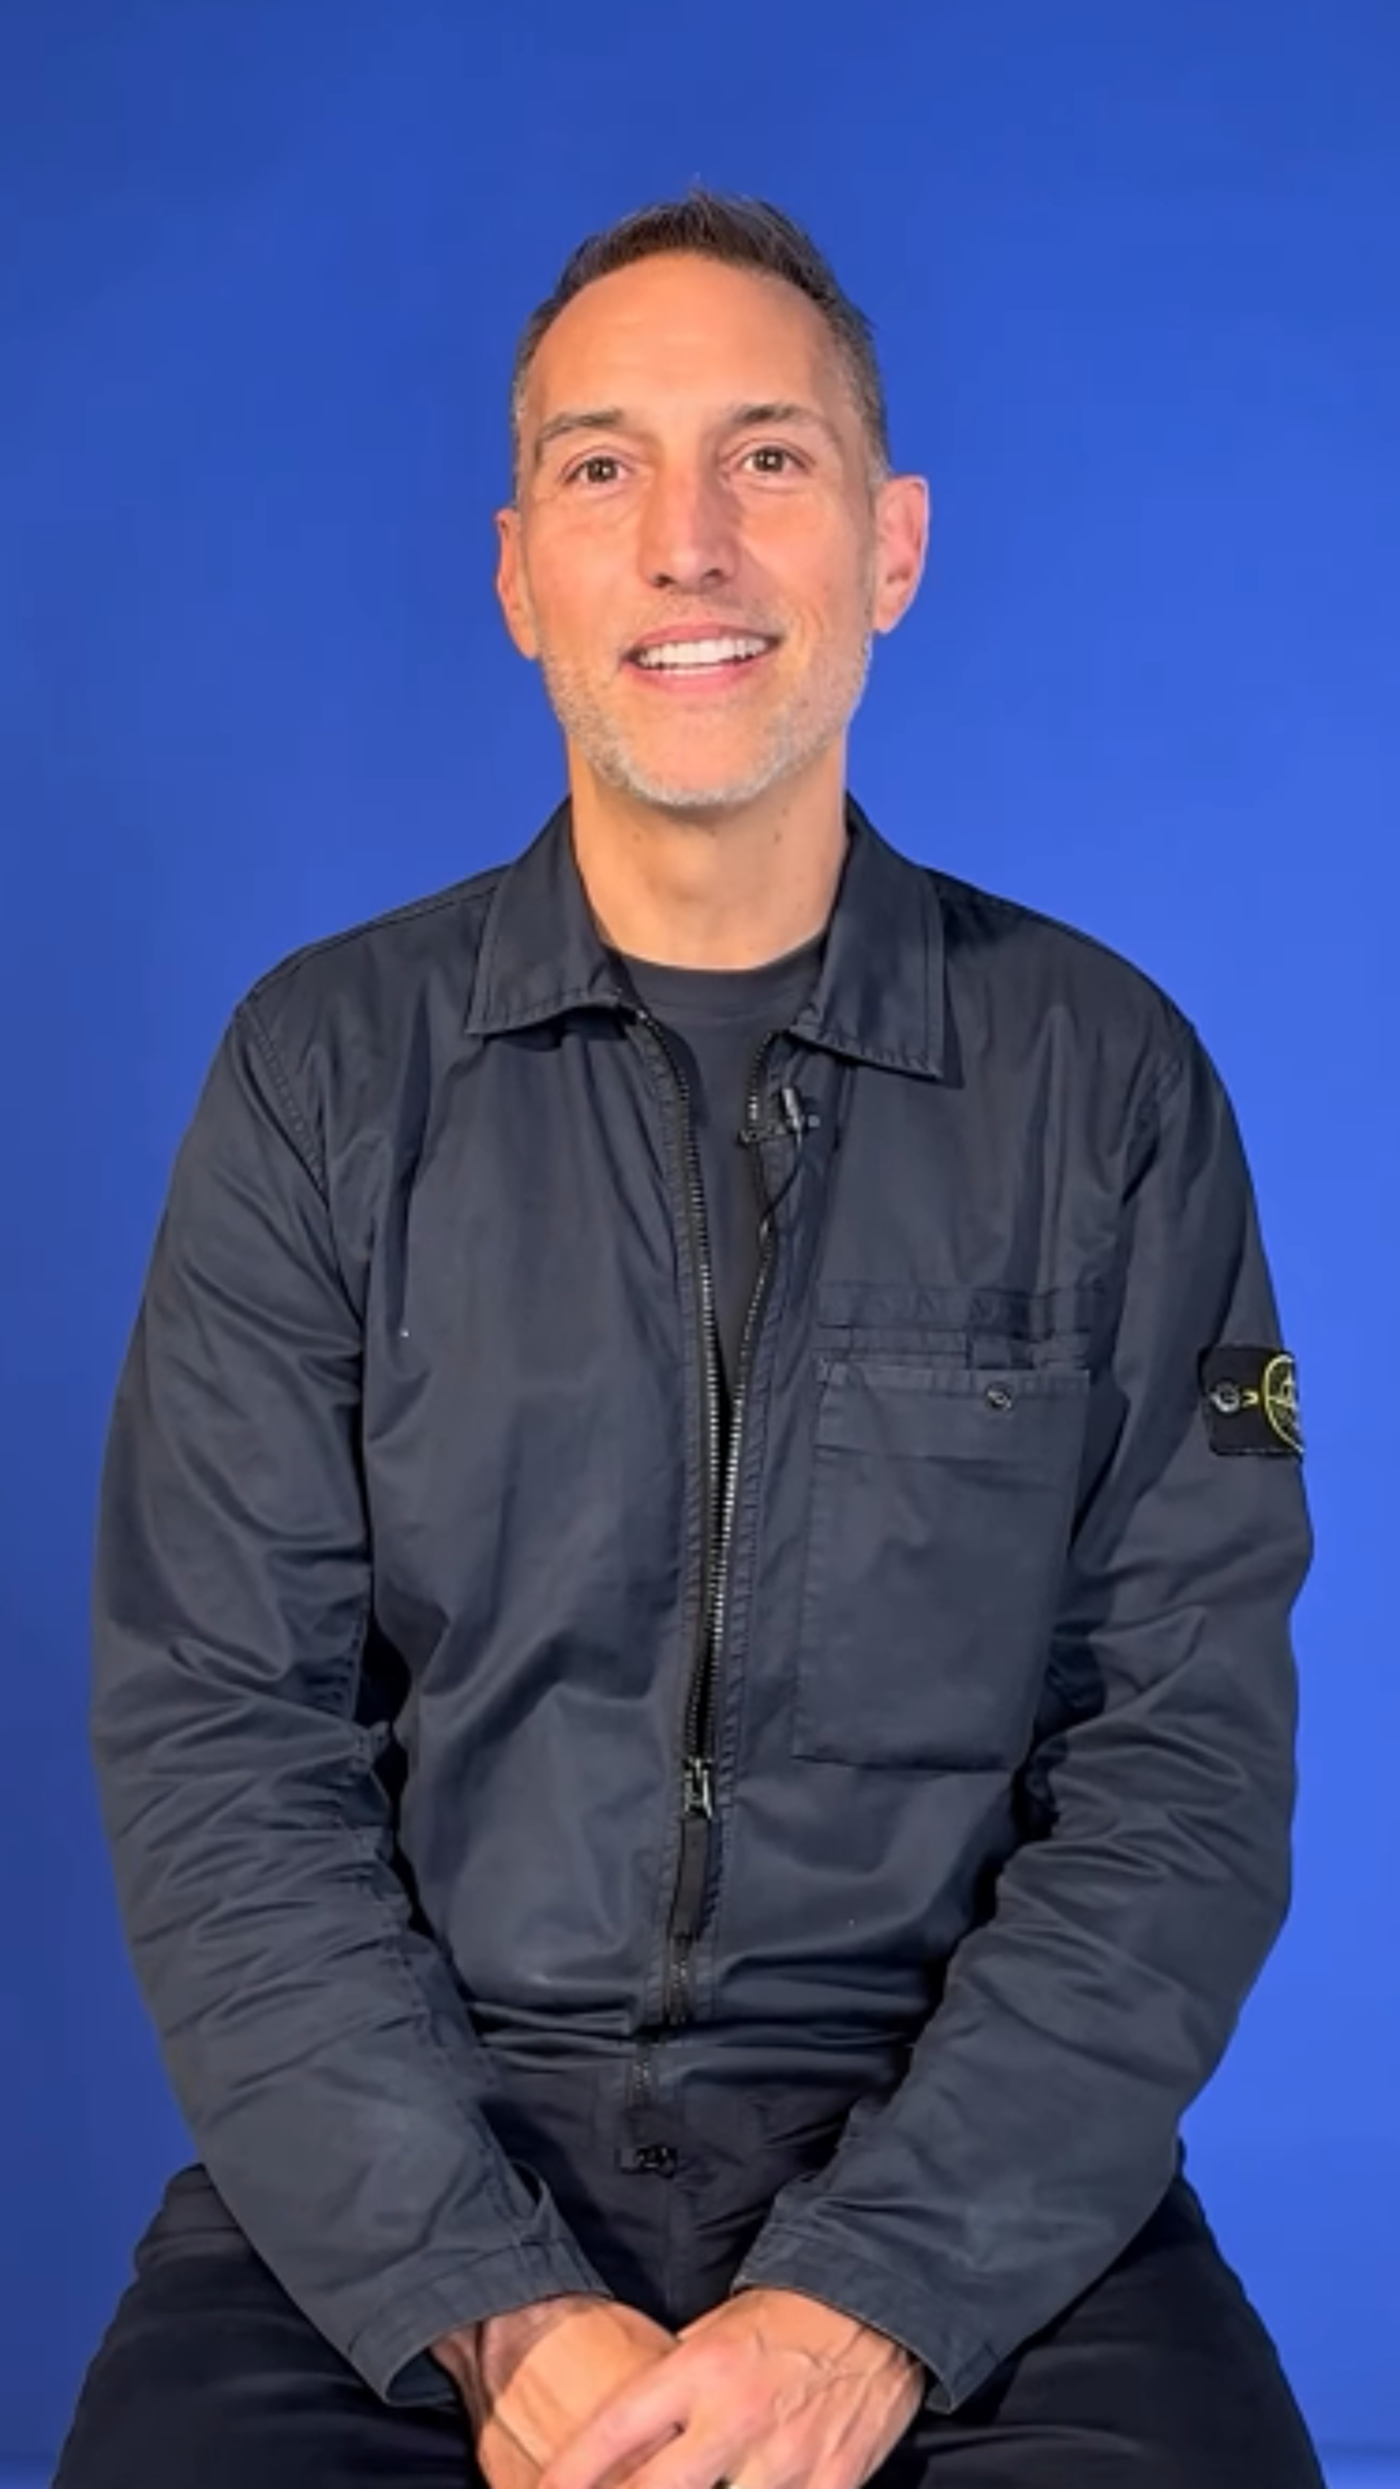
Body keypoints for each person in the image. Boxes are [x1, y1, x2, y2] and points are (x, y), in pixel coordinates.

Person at [57, 188, 1325, 2488]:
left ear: (890, 542)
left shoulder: (1108, 1087)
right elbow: (220, 1739)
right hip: (415, 2163)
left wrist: (870, 2296)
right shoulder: (320, 1076)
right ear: (517, 570)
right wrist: (481, 2294)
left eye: (766, 456)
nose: (686, 543)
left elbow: (1184, 1764)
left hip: (974, 2194)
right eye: (601, 466)